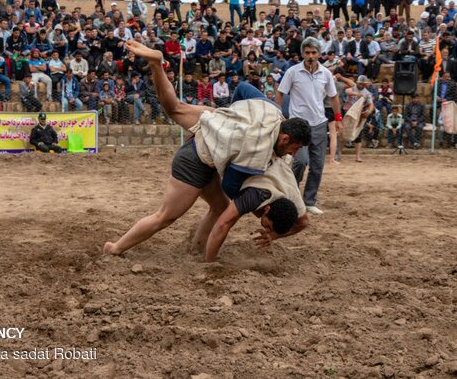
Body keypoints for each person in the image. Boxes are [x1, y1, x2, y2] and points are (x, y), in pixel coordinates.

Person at [103, 40, 311, 261]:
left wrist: (231, 117)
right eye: (293, 148)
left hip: (220, 125)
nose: (292, 154)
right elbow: (231, 185)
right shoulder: (257, 153)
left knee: (175, 109)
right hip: (197, 157)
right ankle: (115, 247)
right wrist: (252, 204)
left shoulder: (275, 112)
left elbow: (242, 88)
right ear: (286, 137)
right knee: (165, 216)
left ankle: (197, 249)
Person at [276, 37, 342, 215]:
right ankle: (292, 195)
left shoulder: (326, 73)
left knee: (318, 165)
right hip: (298, 125)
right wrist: (279, 114)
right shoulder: (293, 72)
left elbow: (333, 96)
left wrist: (338, 117)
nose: (311, 56)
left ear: (319, 54)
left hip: (319, 123)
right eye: (307, 53)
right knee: (300, 161)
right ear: (302, 54)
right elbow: (280, 92)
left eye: (314, 52)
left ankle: (309, 201)